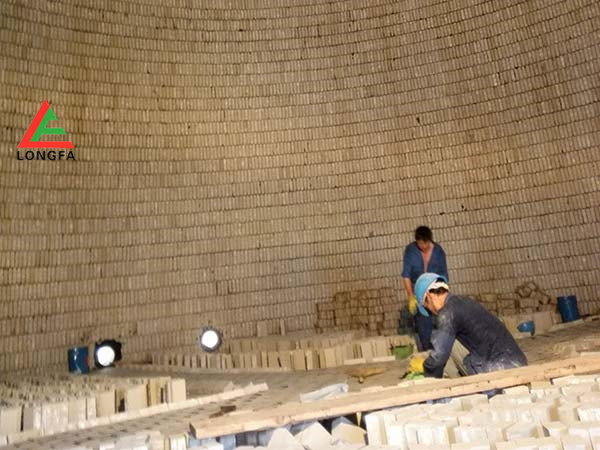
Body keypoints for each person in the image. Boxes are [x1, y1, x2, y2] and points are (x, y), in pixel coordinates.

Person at [407, 273, 528, 378]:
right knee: (449, 342)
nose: (431, 313)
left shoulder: (447, 313)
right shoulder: (464, 302)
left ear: (429, 296)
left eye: (427, 308)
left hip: (499, 370)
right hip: (518, 363)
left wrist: (425, 368)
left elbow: (439, 357)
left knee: (445, 347)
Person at [402, 226, 448, 351]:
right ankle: (426, 351)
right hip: (419, 294)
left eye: (425, 243)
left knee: (441, 322)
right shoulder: (410, 251)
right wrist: (411, 296)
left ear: (430, 240)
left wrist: (442, 296)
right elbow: (406, 275)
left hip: (435, 292)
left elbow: (444, 276)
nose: (423, 246)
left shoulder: (438, 252)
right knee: (423, 323)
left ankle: (441, 350)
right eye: (420, 244)